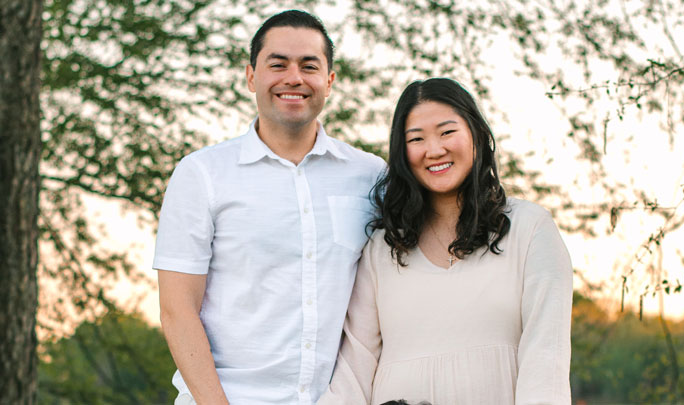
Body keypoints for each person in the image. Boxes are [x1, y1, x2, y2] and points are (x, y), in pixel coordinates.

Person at [153, 10, 386, 405]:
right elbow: (177, 310)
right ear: (250, 77)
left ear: (329, 82)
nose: (293, 77)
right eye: (277, 64)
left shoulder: (370, 176)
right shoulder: (202, 174)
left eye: (309, 66)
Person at [318, 78, 573, 404]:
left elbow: (546, 356)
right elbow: (355, 368)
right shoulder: (383, 247)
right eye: (417, 139)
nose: (434, 149)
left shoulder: (531, 229)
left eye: (447, 132)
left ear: (476, 135)